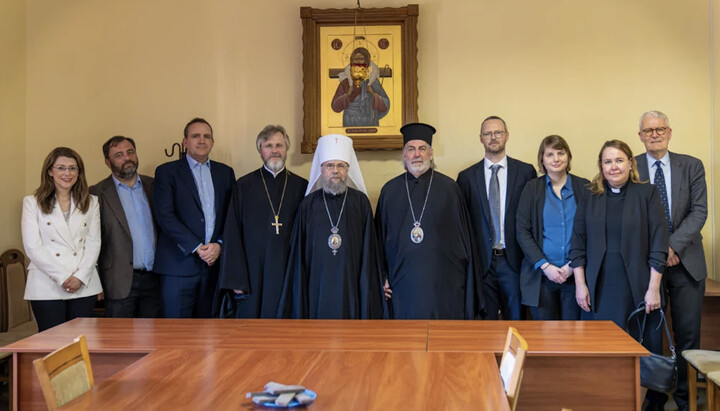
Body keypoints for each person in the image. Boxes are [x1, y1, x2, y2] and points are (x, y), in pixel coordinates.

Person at [570, 140, 668, 410]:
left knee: (643, 350)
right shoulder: (590, 195)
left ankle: (646, 404)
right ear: (601, 167)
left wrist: (654, 288)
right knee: (603, 351)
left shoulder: (646, 193)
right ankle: (606, 402)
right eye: (607, 161)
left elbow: (659, 243)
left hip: (640, 284)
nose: (614, 167)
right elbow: (577, 244)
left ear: (630, 163)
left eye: (619, 160)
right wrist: (581, 285)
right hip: (600, 285)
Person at [634, 111, 707, 411]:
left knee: (688, 336)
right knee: (651, 334)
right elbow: (630, 216)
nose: (654, 134)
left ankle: (686, 399)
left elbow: (699, 212)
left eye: (660, 128)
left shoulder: (691, 166)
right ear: (639, 135)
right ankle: (653, 400)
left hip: (687, 263)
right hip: (646, 266)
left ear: (670, 132)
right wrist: (658, 252)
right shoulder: (630, 166)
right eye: (648, 130)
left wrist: (671, 247)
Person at [375, 123, 478, 319]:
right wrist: (382, 276)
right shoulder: (390, 191)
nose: (417, 155)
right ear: (404, 155)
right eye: (411, 149)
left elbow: (464, 241)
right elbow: (378, 240)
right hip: (402, 285)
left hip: (444, 285)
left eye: (422, 149)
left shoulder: (450, 189)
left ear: (431, 154)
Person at [277, 134, 384, 319]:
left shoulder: (360, 203)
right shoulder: (308, 205)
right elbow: (299, 255)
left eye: (341, 165)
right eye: (329, 165)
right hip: (316, 285)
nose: (335, 170)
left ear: (348, 169)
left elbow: (369, 252)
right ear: (321, 169)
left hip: (351, 284)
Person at [216, 125, 308, 318]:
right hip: (252, 273)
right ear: (260, 151)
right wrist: (236, 278)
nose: (274, 150)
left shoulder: (302, 187)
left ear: (286, 149)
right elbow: (232, 234)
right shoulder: (243, 186)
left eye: (279, 145)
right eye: (268, 145)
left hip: (288, 270)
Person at [153, 118, 235, 318]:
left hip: (213, 266)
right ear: (185, 142)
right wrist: (197, 247)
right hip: (178, 266)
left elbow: (232, 215)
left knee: (208, 333)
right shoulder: (167, 172)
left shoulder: (225, 173)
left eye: (206, 136)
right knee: (177, 333)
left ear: (212, 142)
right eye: (195, 136)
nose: (201, 140)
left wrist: (220, 245)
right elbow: (165, 216)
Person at [457, 116, 536, 320]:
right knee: (485, 323)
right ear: (481, 138)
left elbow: (533, 218)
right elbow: (462, 225)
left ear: (507, 136)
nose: (493, 137)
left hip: (514, 260)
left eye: (498, 132)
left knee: (517, 320)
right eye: (488, 133)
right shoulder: (466, 178)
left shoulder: (526, 172)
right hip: (482, 262)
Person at [21, 147, 103, 332]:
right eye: (61, 168)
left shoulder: (91, 201)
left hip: (83, 283)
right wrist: (63, 278)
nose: (67, 173)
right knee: (52, 344)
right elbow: (33, 247)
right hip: (46, 284)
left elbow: (93, 243)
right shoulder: (32, 202)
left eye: (73, 168)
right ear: (50, 171)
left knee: (82, 342)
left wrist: (79, 277)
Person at [516, 135, 589, 320]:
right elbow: (522, 231)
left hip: (576, 276)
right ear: (542, 159)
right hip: (541, 277)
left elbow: (593, 231)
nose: (556, 159)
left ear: (568, 156)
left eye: (560, 153)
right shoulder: (532, 189)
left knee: (574, 337)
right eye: (550, 154)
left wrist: (572, 266)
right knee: (545, 338)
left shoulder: (585, 187)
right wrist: (545, 265)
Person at [90, 136, 162, 318]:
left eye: (130, 152)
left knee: (154, 340)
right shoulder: (96, 193)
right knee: (119, 341)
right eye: (119, 155)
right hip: (118, 281)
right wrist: (95, 281)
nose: (127, 158)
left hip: (156, 278)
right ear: (108, 162)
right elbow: (91, 241)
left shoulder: (155, 185)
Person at [331, 47, 390, 127]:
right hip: (350, 121)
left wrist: (373, 93)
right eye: (356, 59)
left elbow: (386, 105)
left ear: (366, 61)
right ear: (352, 62)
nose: (358, 62)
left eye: (361, 59)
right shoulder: (346, 82)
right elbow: (335, 106)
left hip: (369, 120)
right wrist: (348, 94)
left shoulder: (372, 81)